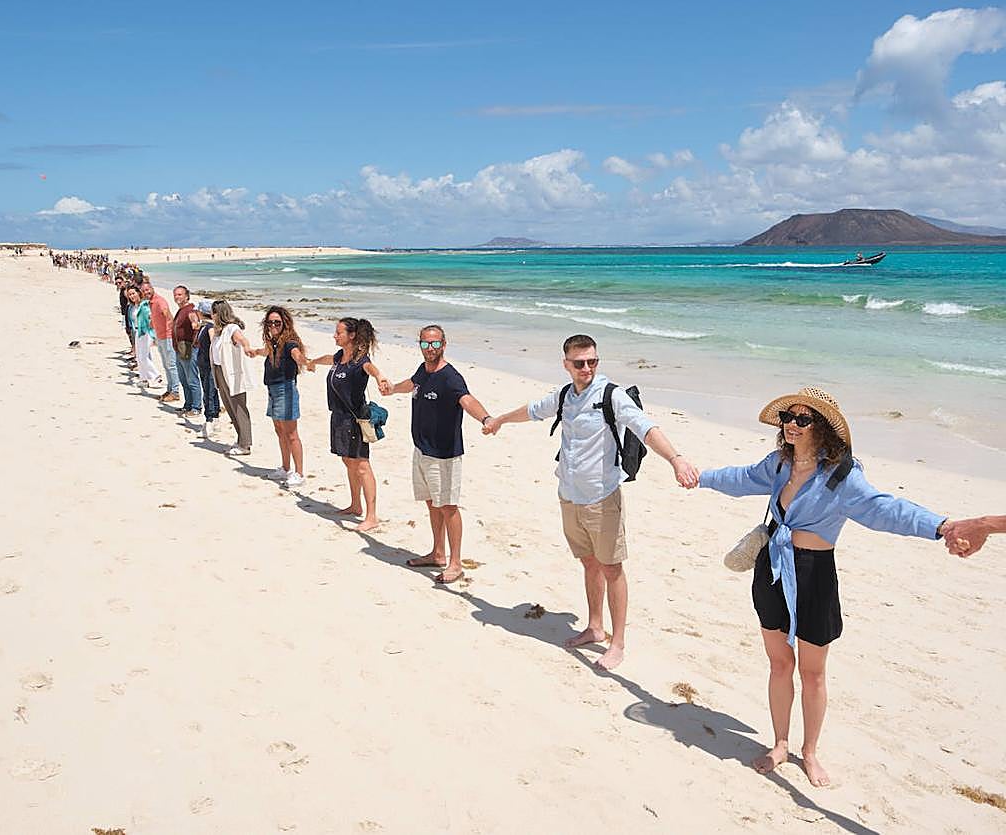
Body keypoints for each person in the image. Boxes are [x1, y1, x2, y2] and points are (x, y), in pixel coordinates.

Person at [693, 386, 957, 787]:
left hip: (814, 575)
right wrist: (700, 477)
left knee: (813, 673)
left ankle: (810, 752)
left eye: (803, 419)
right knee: (780, 664)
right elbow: (743, 477)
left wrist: (940, 527)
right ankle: (780, 744)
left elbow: (885, 508)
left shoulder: (842, 477)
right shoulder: (779, 464)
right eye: (788, 418)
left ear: (823, 428)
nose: (792, 426)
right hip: (773, 569)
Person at [482, 334, 698, 670]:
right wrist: (499, 420)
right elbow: (533, 410)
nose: (586, 368)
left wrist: (676, 459)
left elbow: (645, 427)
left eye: (592, 362)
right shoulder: (566, 395)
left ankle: (618, 643)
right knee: (589, 563)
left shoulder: (612, 396)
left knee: (612, 568)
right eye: (579, 363)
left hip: (601, 498)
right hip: (568, 495)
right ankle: (595, 627)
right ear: (566, 364)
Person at [381, 325, 492, 583]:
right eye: (425, 344)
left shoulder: (450, 377)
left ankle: (455, 563)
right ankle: (437, 553)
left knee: (449, 507)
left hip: (444, 455)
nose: (430, 349)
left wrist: (486, 418)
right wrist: (393, 389)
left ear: (444, 344)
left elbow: (467, 400)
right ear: (419, 345)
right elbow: (413, 383)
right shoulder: (424, 370)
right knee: (432, 503)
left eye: (434, 344)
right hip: (422, 449)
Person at [307, 318, 390, 532]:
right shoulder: (338, 357)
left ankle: (372, 516)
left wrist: (380, 377)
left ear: (351, 335)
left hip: (353, 419)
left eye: (338, 333)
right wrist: (312, 362)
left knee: (361, 464)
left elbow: (371, 368)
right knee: (348, 460)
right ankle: (355, 505)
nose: (335, 336)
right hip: (338, 417)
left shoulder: (359, 360)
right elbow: (328, 359)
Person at [247, 306, 310, 487]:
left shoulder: (289, 342)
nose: (273, 325)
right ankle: (285, 468)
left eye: (277, 322)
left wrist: (305, 362)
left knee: (291, 434)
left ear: (285, 324)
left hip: (286, 390)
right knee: (279, 430)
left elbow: (296, 354)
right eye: (270, 322)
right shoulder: (274, 342)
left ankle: (299, 473)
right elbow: (267, 351)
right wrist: (255, 352)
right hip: (273, 390)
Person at [209, 300, 256, 456]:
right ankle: (240, 438)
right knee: (229, 407)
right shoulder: (219, 331)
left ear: (219, 313)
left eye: (213, 312)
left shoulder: (231, 329)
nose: (211, 315)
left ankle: (245, 444)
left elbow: (242, 339)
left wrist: (247, 347)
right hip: (219, 371)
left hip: (232, 374)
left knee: (239, 407)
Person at [141, 280, 181, 405]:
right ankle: (170, 389)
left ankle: (175, 392)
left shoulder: (159, 301)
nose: (146, 292)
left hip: (167, 337)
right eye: (143, 291)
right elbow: (155, 318)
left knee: (171, 365)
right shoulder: (151, 303)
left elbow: (168, 315)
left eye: (147, 290)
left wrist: (171, 330)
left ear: (152, 288)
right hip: (160, 337)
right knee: (166, 365)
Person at [171, 286, 203, 420]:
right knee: (184, 380)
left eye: (180, 294)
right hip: (179, 350)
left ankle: (196, 407)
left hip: (188, 349)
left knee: (192, 380)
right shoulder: (181, 310)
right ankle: (188, 404)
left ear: (186, 296)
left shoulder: (190, 310)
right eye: (175, 295)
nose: (177, 297)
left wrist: (195, 325)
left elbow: (196, 322)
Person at [193, 302, 222, 437]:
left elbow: (213, 344)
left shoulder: (209, 327)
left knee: (209, 392)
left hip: (209, 365)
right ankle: (214, 420)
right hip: (204, 365)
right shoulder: (204, 327)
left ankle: (209, 421)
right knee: (211, 392)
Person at [127, 286, 161, 388]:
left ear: (138, 293)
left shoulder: (144, 305)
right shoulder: (132, 307)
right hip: (137, 332)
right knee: (139, 357)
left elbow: (151, 318)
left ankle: (155, 375)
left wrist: (154, 335)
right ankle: (144, 379)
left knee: (143, 356)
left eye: (133, 293)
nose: (132, 296)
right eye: (130, 294)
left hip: (145, 332)